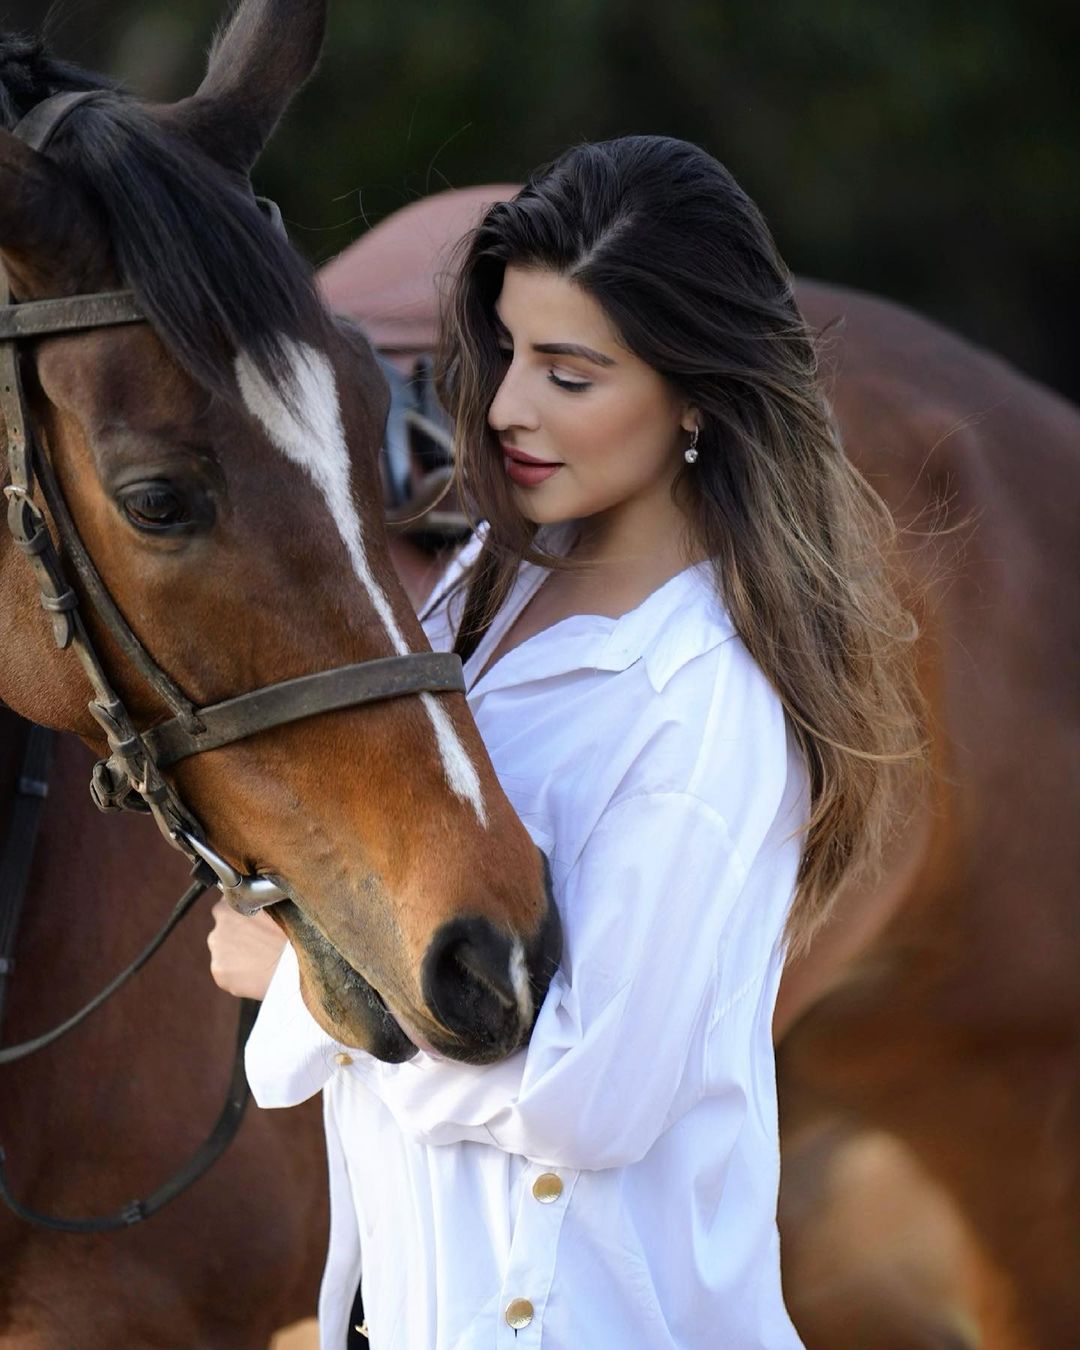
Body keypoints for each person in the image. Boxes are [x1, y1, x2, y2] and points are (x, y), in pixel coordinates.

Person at [208, 135, 926, 1348]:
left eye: (569, 373)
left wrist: (307, 990)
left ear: (697, 390)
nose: (504, 408)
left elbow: (596, 1098)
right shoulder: (480, 587)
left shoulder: (705, 702)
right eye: (507, 353)